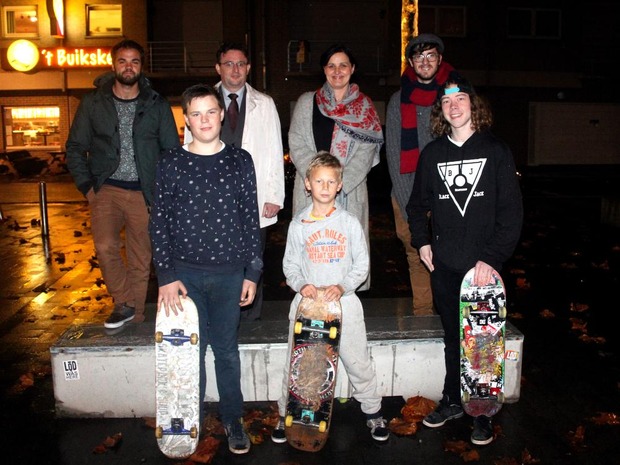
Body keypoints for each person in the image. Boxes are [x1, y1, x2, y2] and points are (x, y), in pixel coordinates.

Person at [406, 77, 523, 446]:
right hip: (445, 266)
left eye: (460, 99)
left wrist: (491, 258)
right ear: (440, 111)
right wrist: (423, 242)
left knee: (483, 342)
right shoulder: (433, 154)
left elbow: (511, 214)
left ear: (473, 104)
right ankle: (454, 400)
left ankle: (483, 411)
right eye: (446, 102)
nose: (453, 106)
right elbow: (415, 206)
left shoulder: (496, 150)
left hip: (482, 271)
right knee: (453, 338)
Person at [149, 84, 262, 455]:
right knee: (188, 354)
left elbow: (250, 220)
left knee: (227, 351)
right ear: (186, 120)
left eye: (210, 112)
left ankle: (232, 418)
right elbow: (159, 222)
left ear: (222, 114)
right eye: (195, 114)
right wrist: (165, 276)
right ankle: (189, 416)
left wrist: (252, 272)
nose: (204, 120)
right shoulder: (170, 162)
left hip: (230, 274)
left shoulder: (240, 160)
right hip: (184, 277)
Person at [271, 151, 389, 444]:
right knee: (298, 364)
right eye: (318, 181)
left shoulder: (349, 223)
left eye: (330, 181)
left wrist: (343, 285)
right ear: (307, 184)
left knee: (358, 361)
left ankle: (373, 411)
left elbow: (362, 263)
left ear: (339, 185)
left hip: (344, 304)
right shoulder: (298, 225)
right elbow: (290, 265)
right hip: (308, 306)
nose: (324, 186)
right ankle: (288, 413)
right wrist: (301, 285)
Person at [65, 39, 179, 329]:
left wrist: (162, 193)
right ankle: (124, 302)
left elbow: (170, 152)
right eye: (123, 61)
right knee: (105, 247)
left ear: (141, 67)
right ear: (113, 64)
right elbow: (75, 147)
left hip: (144, 192)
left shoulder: (156, 104)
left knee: (142, 257)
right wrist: (88, 188)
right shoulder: (93, 103)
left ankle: (134, 316)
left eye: (135, 61)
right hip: (107, 188)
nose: (129, 67)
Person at [185, 41, 284, 321]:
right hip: (211, 199)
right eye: (229, 64)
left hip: (254, 198)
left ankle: (251, 319)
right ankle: (217, 317)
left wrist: (275, 195)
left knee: (253, 260)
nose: (235, 69)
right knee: (214, 260)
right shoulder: (201, 102)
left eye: (241, 64)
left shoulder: (264, 104)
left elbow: (276, 149)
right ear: (218, 68)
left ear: (249, 68)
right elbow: (189, 148)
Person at [288, 43, 384, 291]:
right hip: (310, 192)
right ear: (324, 70)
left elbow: (367, 150)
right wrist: (320, 180)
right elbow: (296, 141)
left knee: (345, 262)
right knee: (310, 258)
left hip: (348, 191)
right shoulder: (307, 102)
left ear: (352, 69)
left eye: (343, 65)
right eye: (331, 65)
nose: (337, 70)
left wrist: (337, 184)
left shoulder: (364, 107)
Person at [386, 33, 461, 316]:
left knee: (451, 256)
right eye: (419, 57)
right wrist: (412, 208)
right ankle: (423, 315)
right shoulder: (398, 101)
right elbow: (394, 155)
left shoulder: (453, 97)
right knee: (416, 255)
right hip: (407, 192)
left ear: (439, 59)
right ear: (411, 62)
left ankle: (451, 315)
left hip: (451, 195)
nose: (425, 61)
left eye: (431, 55)